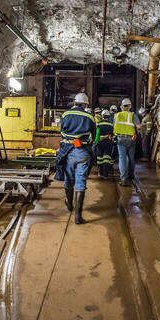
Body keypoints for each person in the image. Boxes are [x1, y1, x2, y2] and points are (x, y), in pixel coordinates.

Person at [54, 92, 96, 224]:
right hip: (83, 151)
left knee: (68, 178)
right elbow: (93, 136)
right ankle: (78, 216)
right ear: (85, 104)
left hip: (68, 151)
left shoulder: (66, 114)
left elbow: (62, 132)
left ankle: (69, 204)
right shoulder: (90, 116)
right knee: (81, 182)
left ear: (74, 103)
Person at [113, 98, 140, 186]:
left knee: (122, 158)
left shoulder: (116, 115)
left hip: (120, 139)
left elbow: (114, 126)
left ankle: (124, 178)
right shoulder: (133, 115)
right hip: (131, 139)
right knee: (131, 157)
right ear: (130, 106)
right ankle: (131, 176)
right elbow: (138, 127)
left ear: (122, 106)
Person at [93, 110, 114, 178]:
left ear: (102, 116)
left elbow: (97, 134)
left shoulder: (99, 124)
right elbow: (113, 134)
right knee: (107, 157)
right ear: (108, 116)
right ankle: (106, 173)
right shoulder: (111, 124)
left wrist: (96, 141)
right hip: (108, 142)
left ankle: (100, 171)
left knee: (99, 157)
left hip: (100, 142)